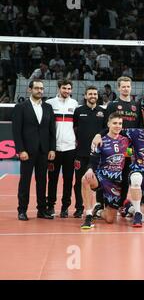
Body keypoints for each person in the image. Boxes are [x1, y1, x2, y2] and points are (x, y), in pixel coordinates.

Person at [12, 79, 56, 221]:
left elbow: (51, 131)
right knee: (25, 181)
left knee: (42, 181)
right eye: (37, 88)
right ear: (29, 90)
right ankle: (22, 210)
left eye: (41, 88)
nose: (40, 91)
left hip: (44, 151)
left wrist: (52, 149)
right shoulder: (21, 107)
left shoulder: (48, 108)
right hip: (27, 151)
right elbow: (16, 131)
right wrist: (20, 150)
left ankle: (41, 210)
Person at [80, 113, 130, 229]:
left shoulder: (126, 140)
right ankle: (88, 216)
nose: (117, 126)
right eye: (115, 123)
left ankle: (97, 212)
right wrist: (89, 169)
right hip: (101, 177)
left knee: (110, 219)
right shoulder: (100, 140)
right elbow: (92, 159)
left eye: (120, 123)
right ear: (108, 124)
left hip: (116, 182)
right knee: (85, 179)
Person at [103, 76, 142, 213]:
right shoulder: (112, 105)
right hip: (113, 148)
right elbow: (105, 126)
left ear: (131, 88)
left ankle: (121, 204)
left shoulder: (136, 106)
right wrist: (98, 136)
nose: (126, 88)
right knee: (110, 175)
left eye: (128, 86)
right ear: (118, 88)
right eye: (123, 86)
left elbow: (140, 128)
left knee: (125, 175)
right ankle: (104, 203)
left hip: (129, 149)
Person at [46, 79, 79, 218]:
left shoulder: (75, 104)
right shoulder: (49, 103)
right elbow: (46, 127)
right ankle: (51, 206)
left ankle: (65, 207)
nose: (67, 91)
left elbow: (77, 126)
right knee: (52, 179)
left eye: (69, 88)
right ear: (59, 88)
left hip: (70, 148)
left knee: (68, 179)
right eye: (64, 88)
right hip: (54, 149)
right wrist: (49, 147)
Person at [73, 86, 105, 218]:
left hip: (98, 155)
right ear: (85, 96)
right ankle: (80, 208)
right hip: (81, 153)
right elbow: (74, 128)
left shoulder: (102, 112)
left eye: (95, 94)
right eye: (90, 94)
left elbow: (106, 129)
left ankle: (98, 207)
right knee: (80, 181)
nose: (93, 96)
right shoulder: (78, 111)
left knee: (99, 182)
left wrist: (98, 135)